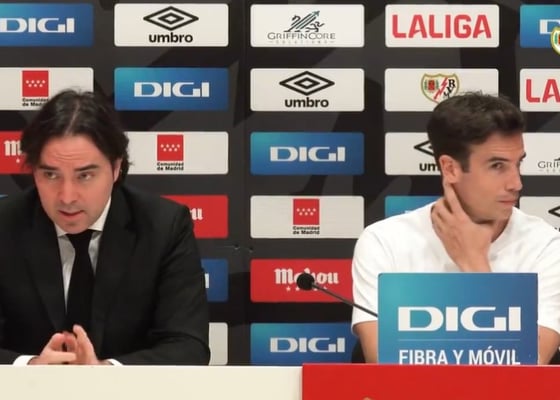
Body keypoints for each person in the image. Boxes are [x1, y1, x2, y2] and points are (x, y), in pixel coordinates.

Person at [0, 89, 210, 365]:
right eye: (50, 174)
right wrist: (29, 367)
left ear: (115, 168)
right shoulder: (5, 224)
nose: (67, 197)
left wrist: (106, 373)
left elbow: (188, 346)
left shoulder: (164, 227)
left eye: (85, 175)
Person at [352, 92, 560, 365]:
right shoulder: (384, 241)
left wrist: (475, 264)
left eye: (517, 163)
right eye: (497, 166)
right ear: (450, 168)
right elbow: (384, 364)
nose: (516, 183)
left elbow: (530, 366)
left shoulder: (546, 245)